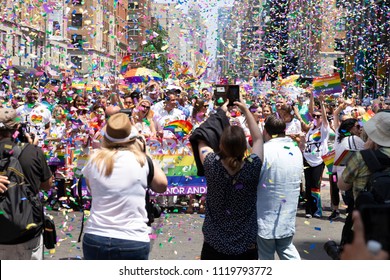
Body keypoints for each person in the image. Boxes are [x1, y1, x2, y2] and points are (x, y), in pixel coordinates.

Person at [81, 113, 168, 260]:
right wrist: (145, 151)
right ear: (132, 138)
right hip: (132, 238)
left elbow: (92, 189)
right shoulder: (142, 160)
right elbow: (161, 186)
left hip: (96, 235)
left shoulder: (94, 160)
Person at [196, 99, 264, 259]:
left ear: (221, 145)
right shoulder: (252, 167)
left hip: (214, 244)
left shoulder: (211, 164)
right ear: (243, 148)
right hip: (246, 245)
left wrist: (219, 113)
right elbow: (259, 139)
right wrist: (246, 110)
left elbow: (201, 135)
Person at [0, 108, 52, 260]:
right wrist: (33, 150)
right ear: (17, 128)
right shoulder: (32, 151)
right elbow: (47, 185)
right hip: (27, 231)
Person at [256, 114, 303, 260]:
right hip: (286, 211)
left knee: (265, 254)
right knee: (286, 248)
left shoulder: (264, 150)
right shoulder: (295, 150)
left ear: (265, 132)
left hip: (266, 212)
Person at [303, 93, 330, 218]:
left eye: (318, 116)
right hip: (307, 159)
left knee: (315, 185)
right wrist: (312, 98)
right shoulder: (311, 129)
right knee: (308, 185)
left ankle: (317, 209)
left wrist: (322, 103)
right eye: (314, 116)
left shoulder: (324, 129)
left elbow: (324, 117)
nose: (316, 118)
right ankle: (308, 210)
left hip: (318, 160)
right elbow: (310, 111)